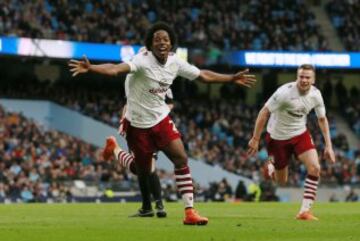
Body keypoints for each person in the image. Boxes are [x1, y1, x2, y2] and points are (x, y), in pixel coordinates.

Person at [69, 22, 256, 225]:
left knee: (181, 158)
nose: (161, 42)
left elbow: (203, 75)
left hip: (159, 119)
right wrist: (91, 67)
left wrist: (230, 78)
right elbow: (115, 69)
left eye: (165, 39)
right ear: (150, 44)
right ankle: (114, 150)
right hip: (137, 124)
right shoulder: (141, 60)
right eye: (157, 39)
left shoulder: (175, 62)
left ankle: (190, 212)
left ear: (171, 44)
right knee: (142, 171)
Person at [247, 64, 336, 221]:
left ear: (313, 79)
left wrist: (328, 145)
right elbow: (264, 112)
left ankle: (304, 211)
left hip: (300, 134)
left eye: (307, 77)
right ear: (297, 77)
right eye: (301, 76)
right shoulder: (284, 92)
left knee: (315, 168)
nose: (304, 80)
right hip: (277, 138)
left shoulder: (316, 95)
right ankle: (270, 166)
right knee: (282, 181)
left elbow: (322, 119)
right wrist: (255, 138)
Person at [114, 87, 174, 218]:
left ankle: (158, 205)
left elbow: (170, 102)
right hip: (136, 127)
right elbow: (128, 103)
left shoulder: (163, 80)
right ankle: (148, 207)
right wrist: (123, 121)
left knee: (148, 167)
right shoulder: (136, 79)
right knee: (141, 168)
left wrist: (161, 113)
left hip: (151, 127)